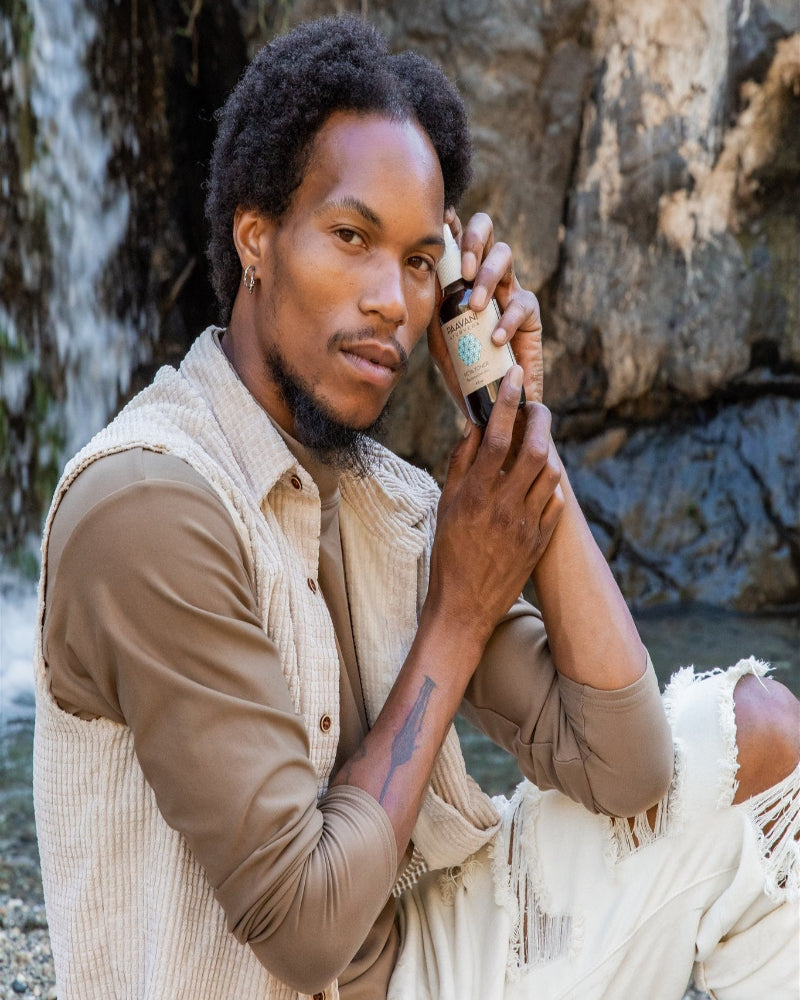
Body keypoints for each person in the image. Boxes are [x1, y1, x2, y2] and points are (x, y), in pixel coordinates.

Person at [33, 15, 799, 1000]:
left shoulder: (384, 501)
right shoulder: (147, 504)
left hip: (412, 965)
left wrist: (514, 428)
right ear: (256, 238)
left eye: (417, 260)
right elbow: (301, 931)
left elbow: (628, 772)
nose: (393, 300)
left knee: (756, 733)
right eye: (351, 237)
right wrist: (457, 615)